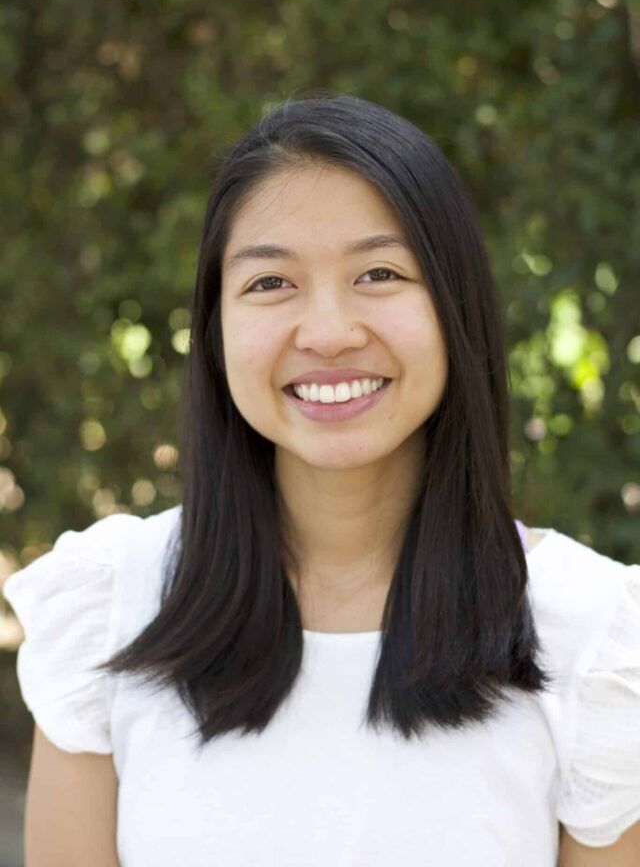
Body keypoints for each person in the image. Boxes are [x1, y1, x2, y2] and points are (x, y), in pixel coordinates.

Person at [3, 93, 640, 866]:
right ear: (215, 329)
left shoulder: (594, 641)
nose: (330, 333)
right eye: (271, 283)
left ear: (455, 305)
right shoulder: (106, 613)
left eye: (379, 272)